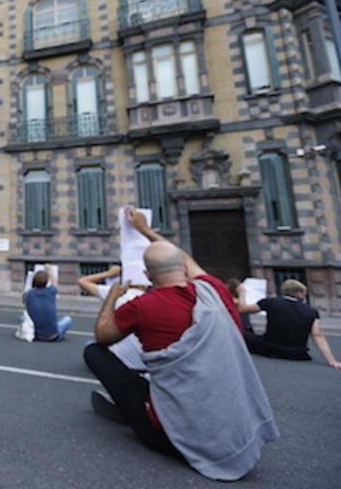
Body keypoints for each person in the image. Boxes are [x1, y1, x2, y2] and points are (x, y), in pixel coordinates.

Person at [85, 206, 278, 481]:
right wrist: (145, 230)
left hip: (171, 436)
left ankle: (137, 411)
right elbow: (185, 258)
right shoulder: (214, 290)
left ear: (148, 276)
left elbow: (102, 336)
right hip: (237, 431)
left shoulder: (143, 305)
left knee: (94, 352)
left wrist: (112, 296)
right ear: (185, 269)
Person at [237, 279, 341, 370]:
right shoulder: (312, 312)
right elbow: (317, 335)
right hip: (297, 353)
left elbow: (242, 309)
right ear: (300, 293)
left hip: (269, 349)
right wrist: (332, 361)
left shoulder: (270, 302)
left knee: (244, 333)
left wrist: (242, 293)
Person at [77, 264, 146, 371]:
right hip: (146, 364)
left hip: (119, 365)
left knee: (90, 345)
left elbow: (82, 281)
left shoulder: (113, 293)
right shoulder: (152, 299)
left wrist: (109, 274)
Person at [24, 264, 72, 341]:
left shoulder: (29, 294)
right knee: (68, 319)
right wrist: (49, 270)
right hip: (53, 335)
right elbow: (55, 281)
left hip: (36, 335)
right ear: (46, 282)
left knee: (23, 318)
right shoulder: (51, 291)